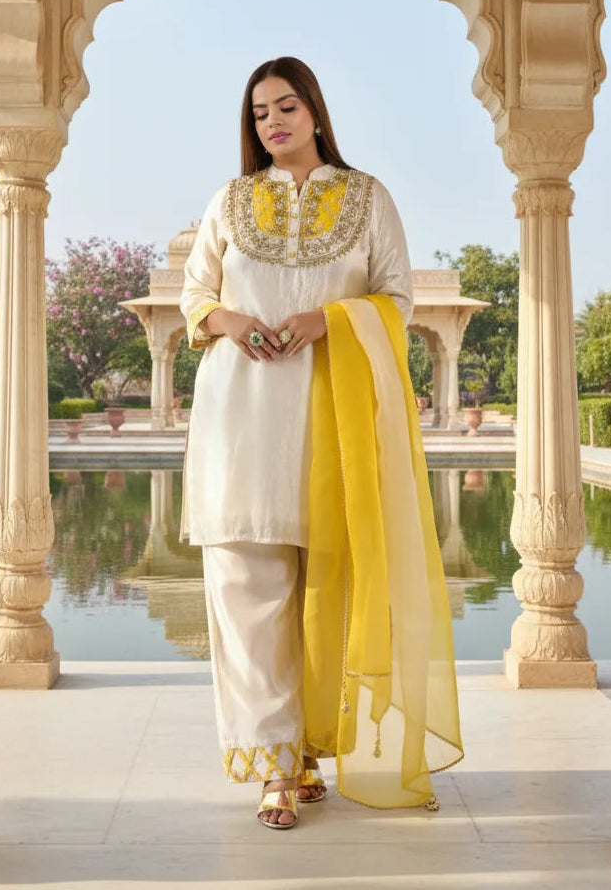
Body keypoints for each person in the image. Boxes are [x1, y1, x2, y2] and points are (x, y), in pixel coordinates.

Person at [179, 56, 463, 830]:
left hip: (333, 425)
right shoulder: (229, 202)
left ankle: (312, 747)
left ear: (315, 113)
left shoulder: (366, 198)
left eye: (286, 106)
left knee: (326, 592)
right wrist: (230, 320)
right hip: (242, 419)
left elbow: (397, 299)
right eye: (260, 112)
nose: (272, 122)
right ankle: (276, 764)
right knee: (247, 589)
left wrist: (326, 320)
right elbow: (193, 296)